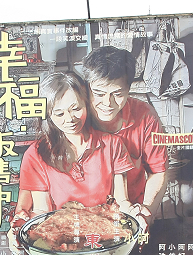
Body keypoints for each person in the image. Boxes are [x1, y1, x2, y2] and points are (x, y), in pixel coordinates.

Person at [13, 71, 138, 223]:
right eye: (59, 114)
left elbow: (122, 202)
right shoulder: (36, 154)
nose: (70, 119)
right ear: (48, 116)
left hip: (105, 229)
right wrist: (22, 220)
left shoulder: (113, 145)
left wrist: (134, 213)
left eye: (76, 109)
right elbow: (42, 210)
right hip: (62, 233)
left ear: (86, 103)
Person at [81, 46, 168, 220]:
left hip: (130, 213)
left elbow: (158, 171)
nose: (107, 103)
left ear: (129, 89)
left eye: (117, 94)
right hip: (83, 217)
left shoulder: (145, 116)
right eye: (98, 93)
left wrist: (145, 213)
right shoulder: (76, 116)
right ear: (87, 88)